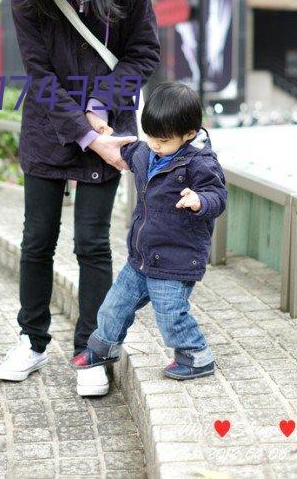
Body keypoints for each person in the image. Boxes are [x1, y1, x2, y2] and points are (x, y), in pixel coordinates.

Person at [0, 0, 161, 396]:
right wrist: (84, 128)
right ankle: (31, 339)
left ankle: (92, 348)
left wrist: (100, 108)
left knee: (91, 243)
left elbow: (143, 51)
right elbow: (39, 77)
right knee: (36, 241)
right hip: (51, 126)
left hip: (109, 127)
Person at [70, 81, 227, 383]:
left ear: (189, 134)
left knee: (171, 314)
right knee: (115, 303)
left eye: (163, 140)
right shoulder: (147, 152)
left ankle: (196, 356)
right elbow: (129, 151)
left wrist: (199, 200)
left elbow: (217, 196)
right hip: (141, 256)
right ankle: (102, 347)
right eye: (151, 136)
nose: (155, 144)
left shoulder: (200, 163)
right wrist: (109, 138)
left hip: (175, 259)